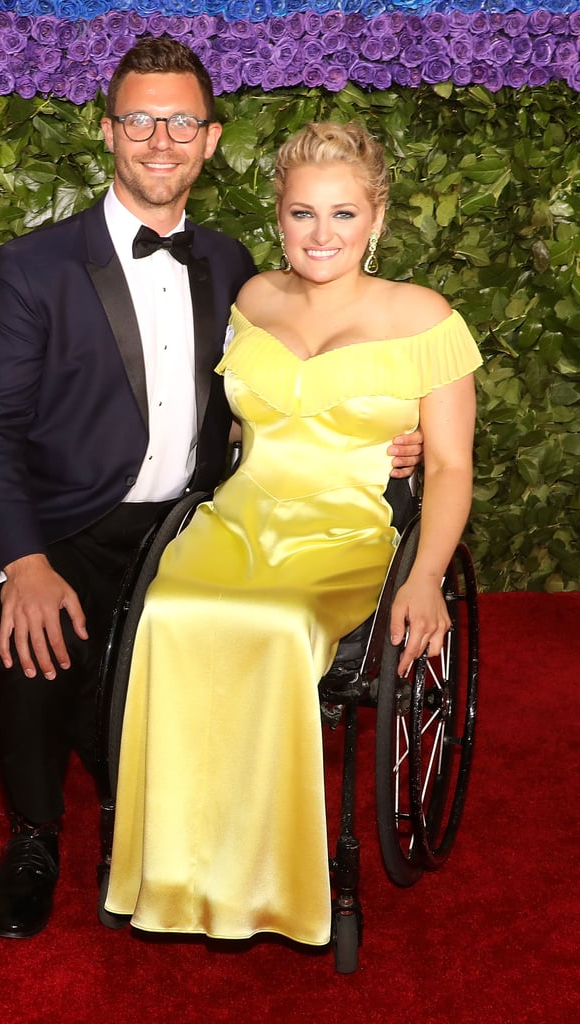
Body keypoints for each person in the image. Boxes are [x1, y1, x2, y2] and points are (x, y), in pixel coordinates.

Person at [0, 37, 425, 941]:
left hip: (193, 518)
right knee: (41, 635)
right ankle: (34, 837)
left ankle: (181, 834)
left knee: (198, 641)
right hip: (66, 522)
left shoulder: (235, 265)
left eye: (180, 121)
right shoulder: (32, 267)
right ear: (108, 132)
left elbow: (270, 393)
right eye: (139, 119)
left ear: (210, 140)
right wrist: (21, 561)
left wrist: (375, 435)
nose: (159, 138)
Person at [104, 121, 482, 947]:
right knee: (168, 611)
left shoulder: (423, 317)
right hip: (241, 515)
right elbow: (241, 433)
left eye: (342, 215)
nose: (322, 235)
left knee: (277, 627)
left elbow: (451, 468)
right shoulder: (254, 301)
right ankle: (175, 873)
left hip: (344, 530)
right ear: (278, 217)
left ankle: (265, 883)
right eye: (303, 214)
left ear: (375, 219)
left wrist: (424, 577)